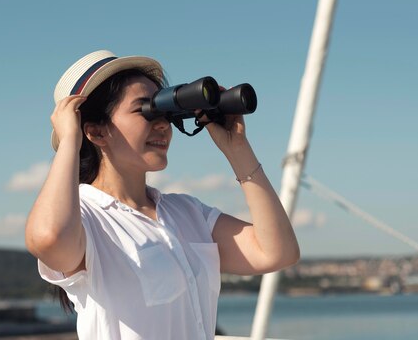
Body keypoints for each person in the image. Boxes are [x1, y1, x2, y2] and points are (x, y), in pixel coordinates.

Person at [25, 50, 300, 339]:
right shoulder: (88, 220)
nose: (162, 124)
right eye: (145, 110)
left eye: (165, 112)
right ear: (95, 132)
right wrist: (70, 139)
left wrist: (237, 149)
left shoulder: (188, 211)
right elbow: (48, 237)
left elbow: (277, 252)